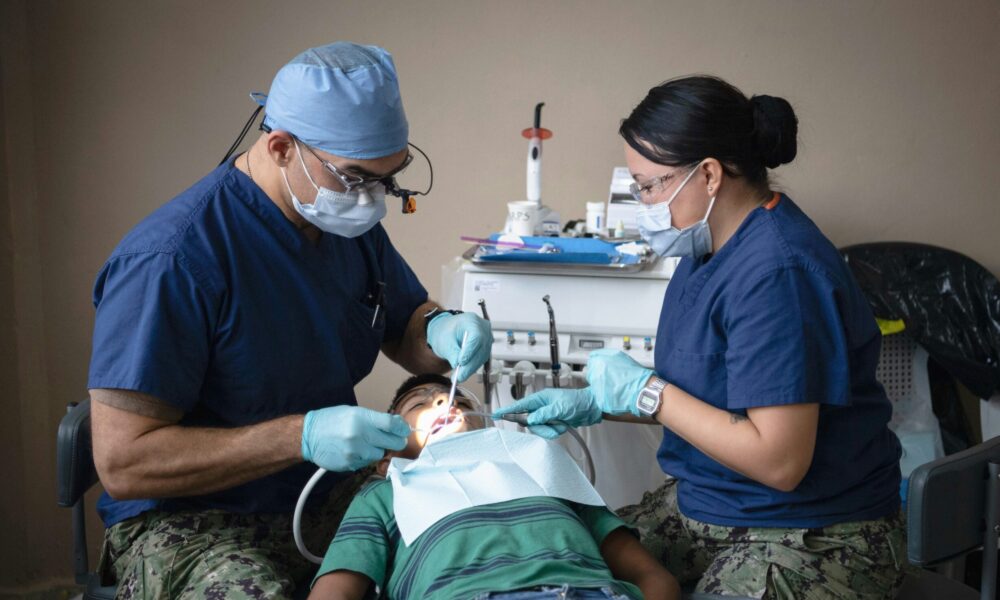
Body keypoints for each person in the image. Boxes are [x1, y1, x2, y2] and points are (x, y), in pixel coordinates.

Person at [87, 42, 492, 599]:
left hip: (326, 493)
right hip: (194, 522)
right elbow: (125, 464)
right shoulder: (171, 262)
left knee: (477, 550)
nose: (373, 199)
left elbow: (405, 328)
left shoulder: (343, 225)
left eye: (388, 178)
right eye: (356, 178)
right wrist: (298, 437)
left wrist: (443, 327)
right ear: (280, 147)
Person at [496, 75, 906, 599]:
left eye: (648, 185)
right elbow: (707, 395)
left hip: (810, 533)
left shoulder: (779, 273)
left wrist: (647, 392)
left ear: (709, 174)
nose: (642, 202)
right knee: (555, 556)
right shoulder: (709, 248)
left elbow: (780, 463)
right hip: (711, 504)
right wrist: (597, 402)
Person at [309, 374, 680, 600]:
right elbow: (337, 591)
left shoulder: (542, 466)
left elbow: (650, 576)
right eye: (419, 403)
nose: (443, 400)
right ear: (386, 454)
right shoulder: (386, 492)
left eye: (457, 398)